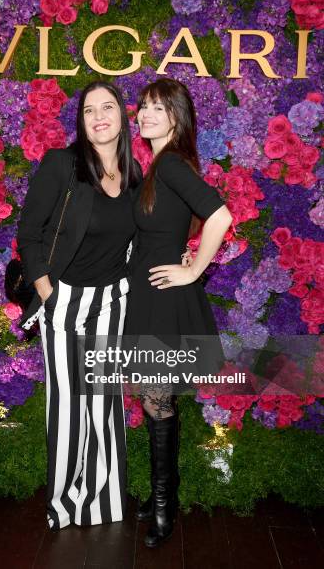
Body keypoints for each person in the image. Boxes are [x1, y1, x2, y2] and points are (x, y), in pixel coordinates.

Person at [16, 80, 142, 531]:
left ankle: (105, 502)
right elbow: (28, 233)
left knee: (104, 405)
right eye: (90, 110)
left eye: (108, 107)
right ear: (81, 120)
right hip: (65, 300)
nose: (100, 116)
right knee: (69, 407)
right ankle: (64, 506)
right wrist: (50, 295)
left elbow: (138, 241)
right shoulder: (62, 165)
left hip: (112, 302)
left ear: (123, 117)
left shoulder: (133, 173)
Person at [123, 78, 233, 547]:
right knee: (154, 400)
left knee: (157, 400)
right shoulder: (161, 166)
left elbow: (221, 216)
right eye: (143, 107)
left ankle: (164, 510)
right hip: (150, 296)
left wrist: (193, 271)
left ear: (176, 118)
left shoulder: (168, 164)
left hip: (164, 300)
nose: (145, 115)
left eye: (157, 108)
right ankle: (159, 497)